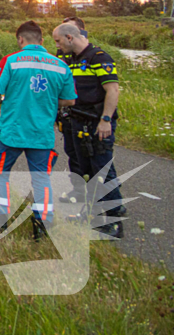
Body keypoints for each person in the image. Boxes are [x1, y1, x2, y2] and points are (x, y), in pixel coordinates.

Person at [0, 21, 77, 240]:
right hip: (42, 133)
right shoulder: (61, 66)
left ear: (20, 39)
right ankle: (42, 225)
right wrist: (48, 102)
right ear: (42, 41)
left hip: (11, 131)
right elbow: (69, 100)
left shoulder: (11, 61)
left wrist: (7, 100)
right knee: (41, 179)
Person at [52, 22, 125, 238]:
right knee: (85, 169)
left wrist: (105, 119)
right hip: (77, 121)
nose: (57, 45)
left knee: (102, 169)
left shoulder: (99, 58)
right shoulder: (71, 59)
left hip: (97, 122)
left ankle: (114, 220)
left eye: (58, 41)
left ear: (70, 37)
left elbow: (112, 90)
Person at [55, 16, 87, 199]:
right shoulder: (61, 54)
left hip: (87, 113)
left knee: (93, 156)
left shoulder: (92, 55)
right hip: (68, 112)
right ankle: (79, 190)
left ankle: (108, 198)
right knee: (72, 151)